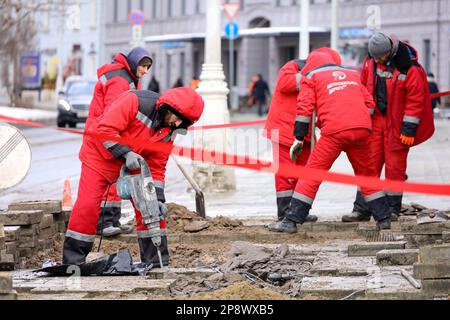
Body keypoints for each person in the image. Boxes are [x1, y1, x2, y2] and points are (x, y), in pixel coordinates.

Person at [62, 87, 205, 265]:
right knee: (88, 206)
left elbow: (157, 165)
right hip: (99, 156)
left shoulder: (169, 130)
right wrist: (125, 152)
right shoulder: (135, 101)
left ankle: (156, 261)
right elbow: (104, 129)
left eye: (182, 122)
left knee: (151, 208)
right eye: (177, 118)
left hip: (135, 162)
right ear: (168, 107)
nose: (176, 124)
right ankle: (72, 261)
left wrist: (158, 198)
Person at [269, 49, 392, 233]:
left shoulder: (311, 76)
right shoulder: (351, 74)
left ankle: (291, 220)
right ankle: (384, 218)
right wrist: (358, 122)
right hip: (361, 131)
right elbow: (369, 104)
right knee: (368, 175)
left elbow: (304, 109)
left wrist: (300, 137)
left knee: (311, 175)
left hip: (334, 132)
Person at [342, 32, 434, 223]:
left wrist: (408, 130)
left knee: (395, 169)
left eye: (380, 56)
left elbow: (415, 101)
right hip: (376, 123)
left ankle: (392, 209)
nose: (377, 60)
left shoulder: (410, 69)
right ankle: (362, 209)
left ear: (390, 51)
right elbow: (363, 89)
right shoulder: (371, 62)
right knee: (368, 165)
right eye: (374, 57)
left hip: (397, 127)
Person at [86, 46, 153, 237]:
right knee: (107, 178)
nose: (145, 71)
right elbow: (113, 113)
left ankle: (112, 219)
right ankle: (103, 222)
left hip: (108, 132)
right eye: (143, 66)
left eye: (148, 67)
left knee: (116, 176)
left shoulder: (128, 77)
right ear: (134, 63)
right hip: (105, 133)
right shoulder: (120, 80)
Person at [264, 58, 317, 223]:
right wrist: (310, 78)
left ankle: (299, 211)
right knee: (286, 174)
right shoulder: (292, 66)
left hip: (304, 133)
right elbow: (284, 83)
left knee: (303, 173)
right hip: (283, 131)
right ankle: (285, 212)